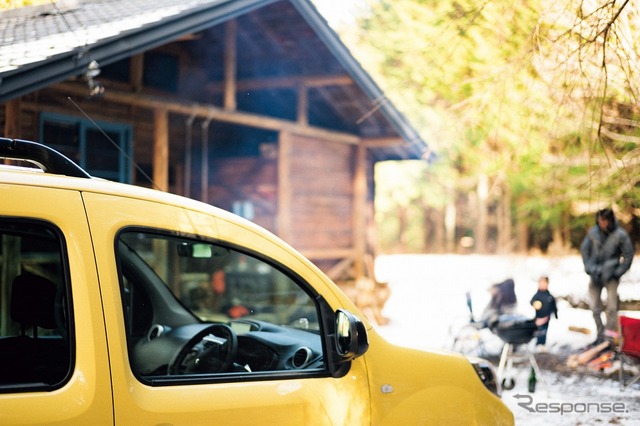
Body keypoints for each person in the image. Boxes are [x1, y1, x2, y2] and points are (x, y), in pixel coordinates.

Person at [580, 208, 634, 344]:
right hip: (595, 274)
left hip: (611, 276)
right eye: (600, 220)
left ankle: (609, 337)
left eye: (604, 220)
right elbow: (584, 250)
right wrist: (589, 267)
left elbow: (628, 254)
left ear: (610, 220)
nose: (602, 223)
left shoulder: (620, 234)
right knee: (594, 307)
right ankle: (599, 334)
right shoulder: (593, 232)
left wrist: (618, 272)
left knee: (612, 308)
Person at [530, 276, 557, 350]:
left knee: (544, 331)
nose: (542, 285)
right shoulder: (537, 295)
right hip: (539, 317)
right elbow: (531, 301)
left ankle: (542, 343)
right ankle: (538, 343)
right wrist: (534, 303)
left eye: (544, 283)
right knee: (539, 331)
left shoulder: (549, 296)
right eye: (541, 283)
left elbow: (553, 306)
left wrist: (556, 314)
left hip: (546, 317)